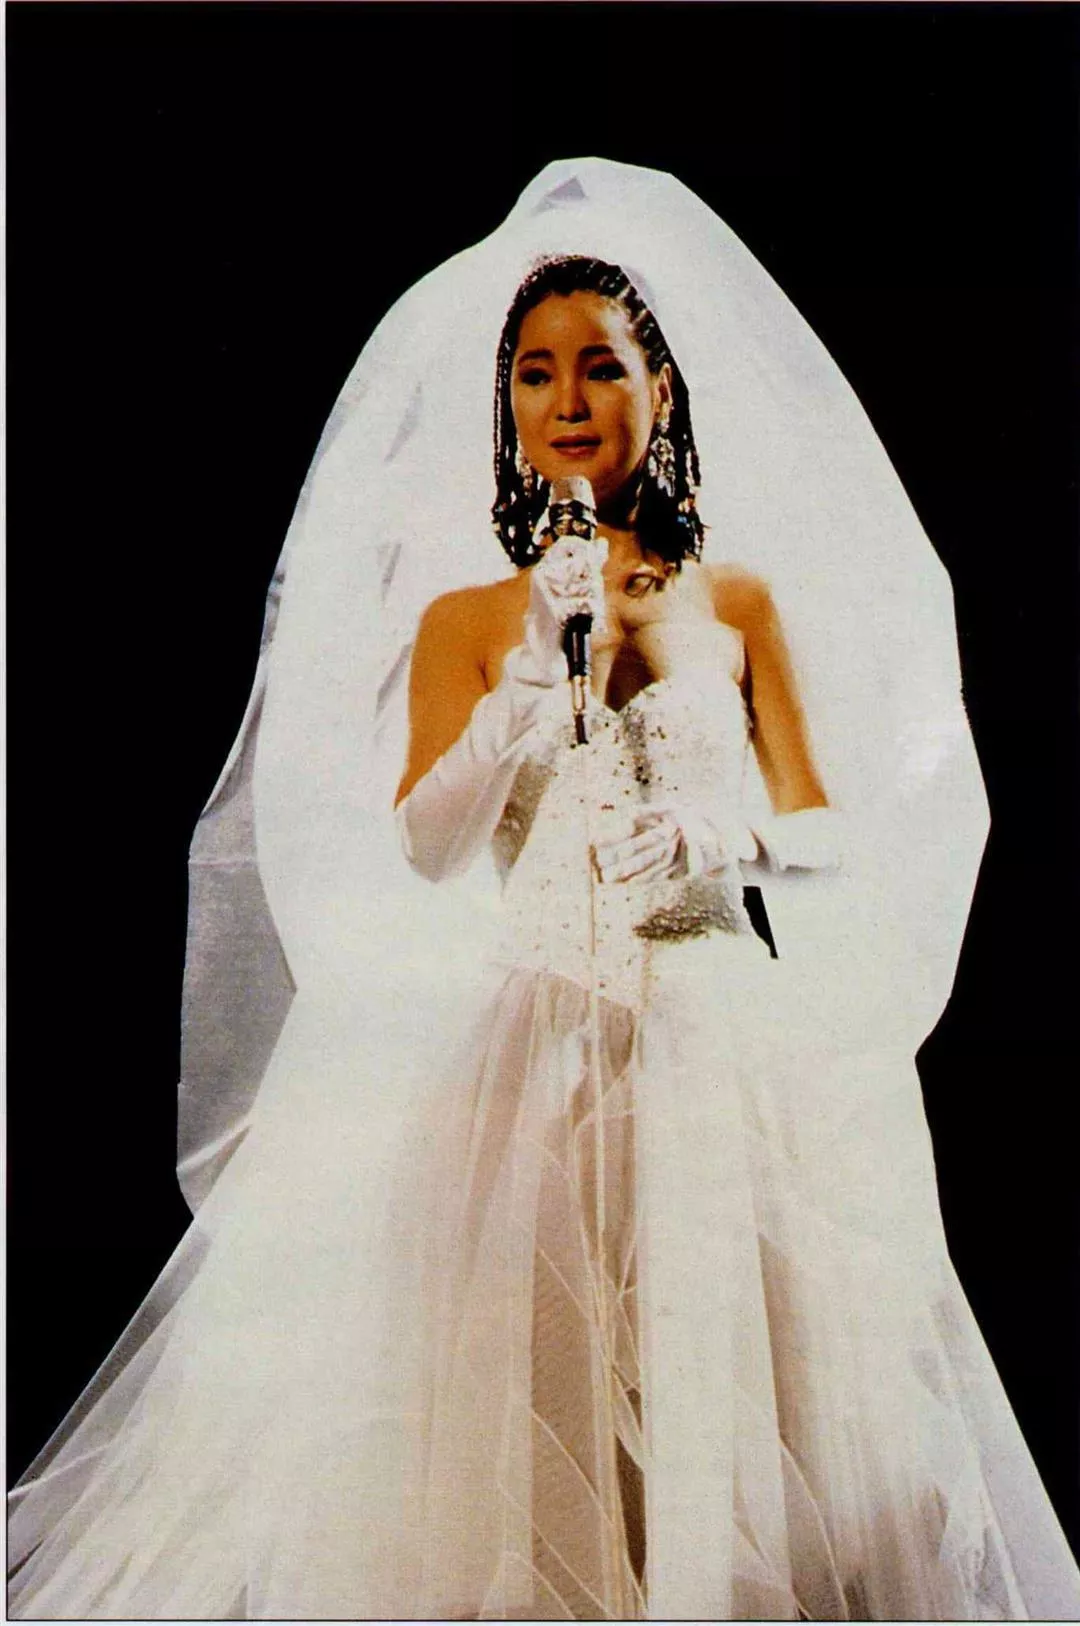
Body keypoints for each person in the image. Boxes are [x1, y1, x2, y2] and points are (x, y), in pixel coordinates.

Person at [8, 159, 1080, 1622]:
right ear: (507, 407)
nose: (569, 400)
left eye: (602, 366)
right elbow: (426, 845)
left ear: (661, 391)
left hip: (716, 1034)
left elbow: (827, 820)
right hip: (531, 1041)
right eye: (536, 373)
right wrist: (524, 686)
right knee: (523, 1404)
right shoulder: (468, 618)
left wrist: (726, 841)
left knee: (732, 1392)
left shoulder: (734, 603)